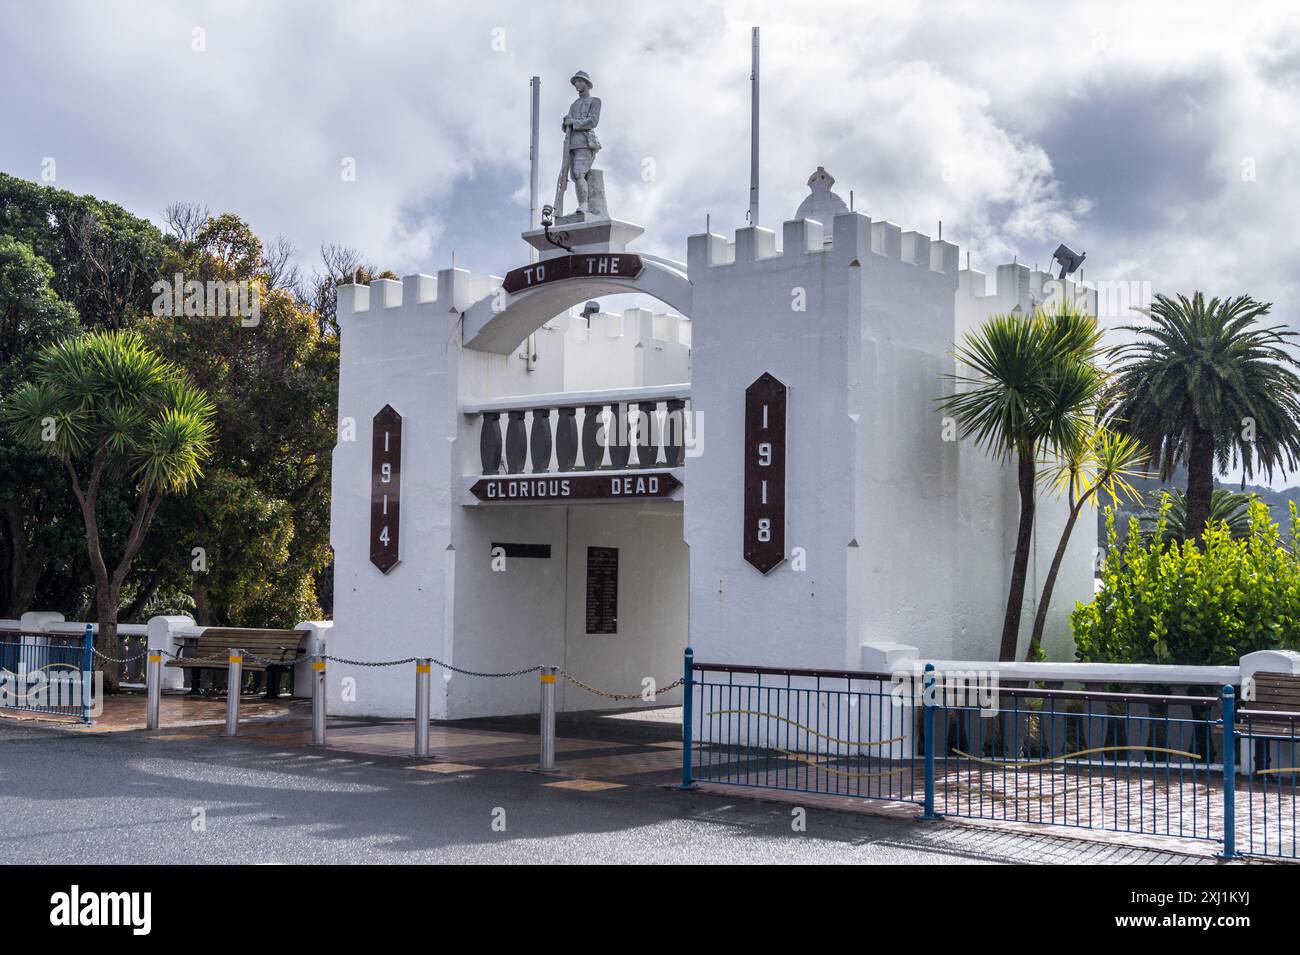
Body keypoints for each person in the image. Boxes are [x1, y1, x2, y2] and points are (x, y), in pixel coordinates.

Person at [562, 71, 601, 215]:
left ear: (586, 83)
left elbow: (593, 121)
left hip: (585, 142)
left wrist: (573, 122)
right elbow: (568, 124)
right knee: (575, 176)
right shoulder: (574, 104)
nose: (576, 84)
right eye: (575, 82)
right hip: (572, 143)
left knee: (579, 173)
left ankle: (584, 205)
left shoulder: (595, 101)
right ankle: (583, 205)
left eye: (579, 81)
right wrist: (566, 123)